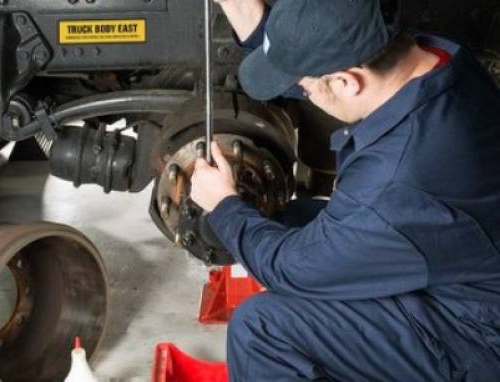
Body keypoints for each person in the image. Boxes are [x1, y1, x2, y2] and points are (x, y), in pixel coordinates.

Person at [189, 0, 500, 380]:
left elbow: (292, 269)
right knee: (290, 220)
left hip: (476, 336)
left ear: (346, 81)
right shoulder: (440, 58)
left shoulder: (396, 178)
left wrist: (223, 206)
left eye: (306, 89)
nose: (303, 94)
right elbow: (322, 41)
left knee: (262, 328)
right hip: (459, 264)